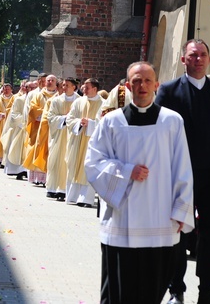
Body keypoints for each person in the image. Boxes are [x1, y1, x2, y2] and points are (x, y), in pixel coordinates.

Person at [85, 61, 195, 304]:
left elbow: (183, 169)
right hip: (121, 221)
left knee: (151, 291)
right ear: (127, 86)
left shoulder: (172, 121)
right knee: (117, 293)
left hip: (161, 221)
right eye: (136, 80)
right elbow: (92, 163)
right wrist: (126, 171)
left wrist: (181, 211)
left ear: (156, 85)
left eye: (147, 80)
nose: (142, 85)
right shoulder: (111, 122)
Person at [156, 39, 210, 304]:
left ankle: (207, 290)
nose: (198, 59)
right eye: (193, 55)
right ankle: (176, 286)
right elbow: (158, 134)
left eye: (203, 55)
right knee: (177, 232)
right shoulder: (168, 91)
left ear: (209, 59)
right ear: (183, 60)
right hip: (179, 176)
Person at [65, 78, 103, 206]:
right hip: (78, 140)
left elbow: (105, 123)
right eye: (83, 87)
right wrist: (78, 123)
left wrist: (91, 123)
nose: (83, 89)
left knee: (89, 168)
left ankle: (86, 199)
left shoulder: (103, 103)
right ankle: (73, 197)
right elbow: (70, 118)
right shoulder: (78, 102)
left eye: (87, 87)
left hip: (92, 143)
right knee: (74, 166)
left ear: (95, 89)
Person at [44, 78, 79, 200]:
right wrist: (65, 118)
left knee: (69, 161)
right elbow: (50, 117)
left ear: (74, 87)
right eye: (63, 85)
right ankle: (52, 188)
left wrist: (73, 121)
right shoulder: (56, 100)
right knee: (55, 160)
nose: (64, 87)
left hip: (73, 136)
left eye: (67, 85)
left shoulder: (79, 101)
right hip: (58, 135)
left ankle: (64, 189)